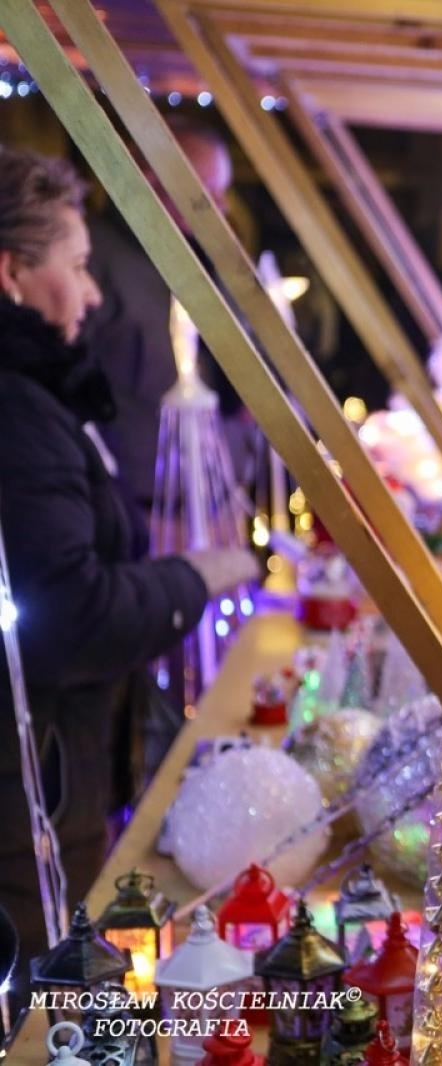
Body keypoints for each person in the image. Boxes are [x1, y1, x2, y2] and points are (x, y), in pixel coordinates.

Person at [0, 149, 257, 969]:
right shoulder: (18, 409)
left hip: (44, 785)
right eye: (77, 268)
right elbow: (68, 614)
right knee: (46, 1012)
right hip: (25, 805)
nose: (95, 293)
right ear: (11, 275)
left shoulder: (37, 396)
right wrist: (196, 578)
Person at [81, 116, 235, 534]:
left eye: (221, 195)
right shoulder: (93, 256)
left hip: (203, 498)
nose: (218, 209)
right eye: (204, 193)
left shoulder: (193, 259)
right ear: (148, 177)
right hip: (134, 506)